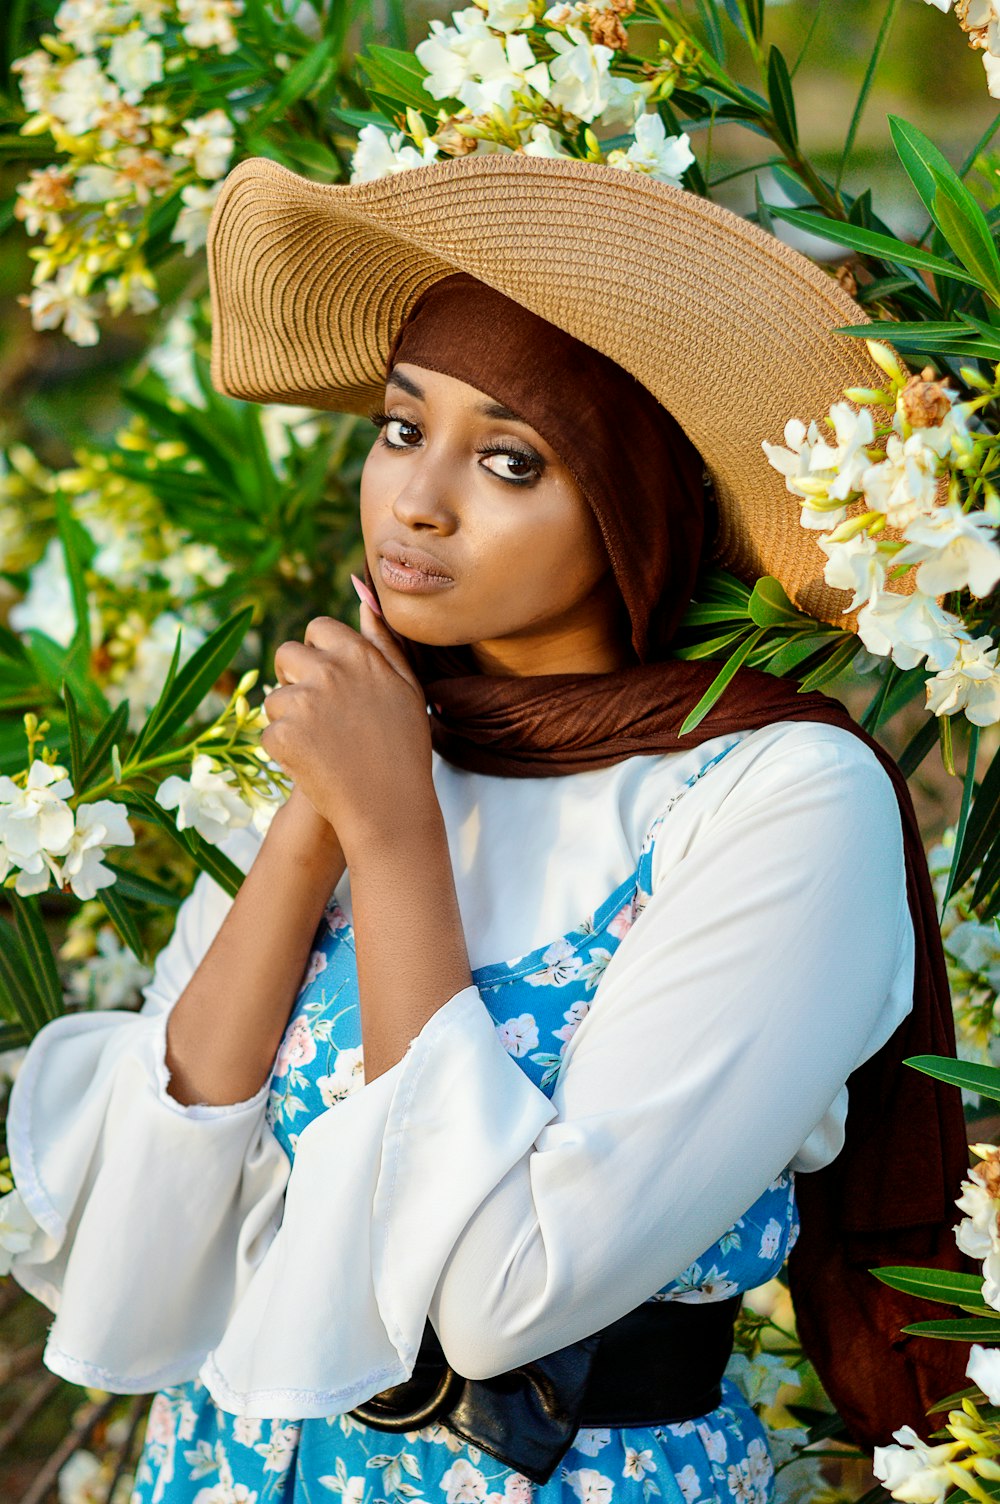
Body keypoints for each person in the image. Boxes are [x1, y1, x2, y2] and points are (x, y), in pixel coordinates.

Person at [6, 152, 969, 1504]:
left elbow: (503, 1295)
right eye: (404, 428)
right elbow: (141, 1254)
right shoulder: (374, 731)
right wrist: (314, 822)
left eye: (510, 459)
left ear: (637, 500)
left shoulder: (778, 800)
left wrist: (395, 838)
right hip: (223, 1468)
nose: (416, 500)